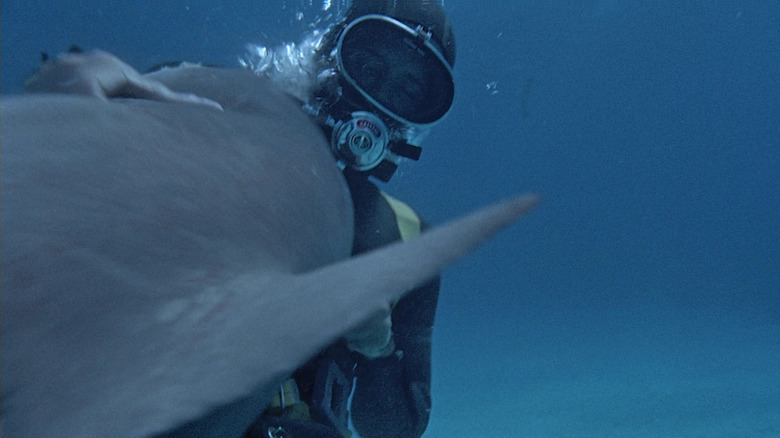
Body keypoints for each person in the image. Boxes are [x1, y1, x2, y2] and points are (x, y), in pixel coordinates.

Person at [24, 1, 456, 437]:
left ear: (419, 117)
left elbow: (398, 428)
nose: (378, 95)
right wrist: (93, 95)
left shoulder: (407, 244)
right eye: (365, 64)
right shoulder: (216, 114)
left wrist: (377, 348)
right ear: (330, 57)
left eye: (407, 90)